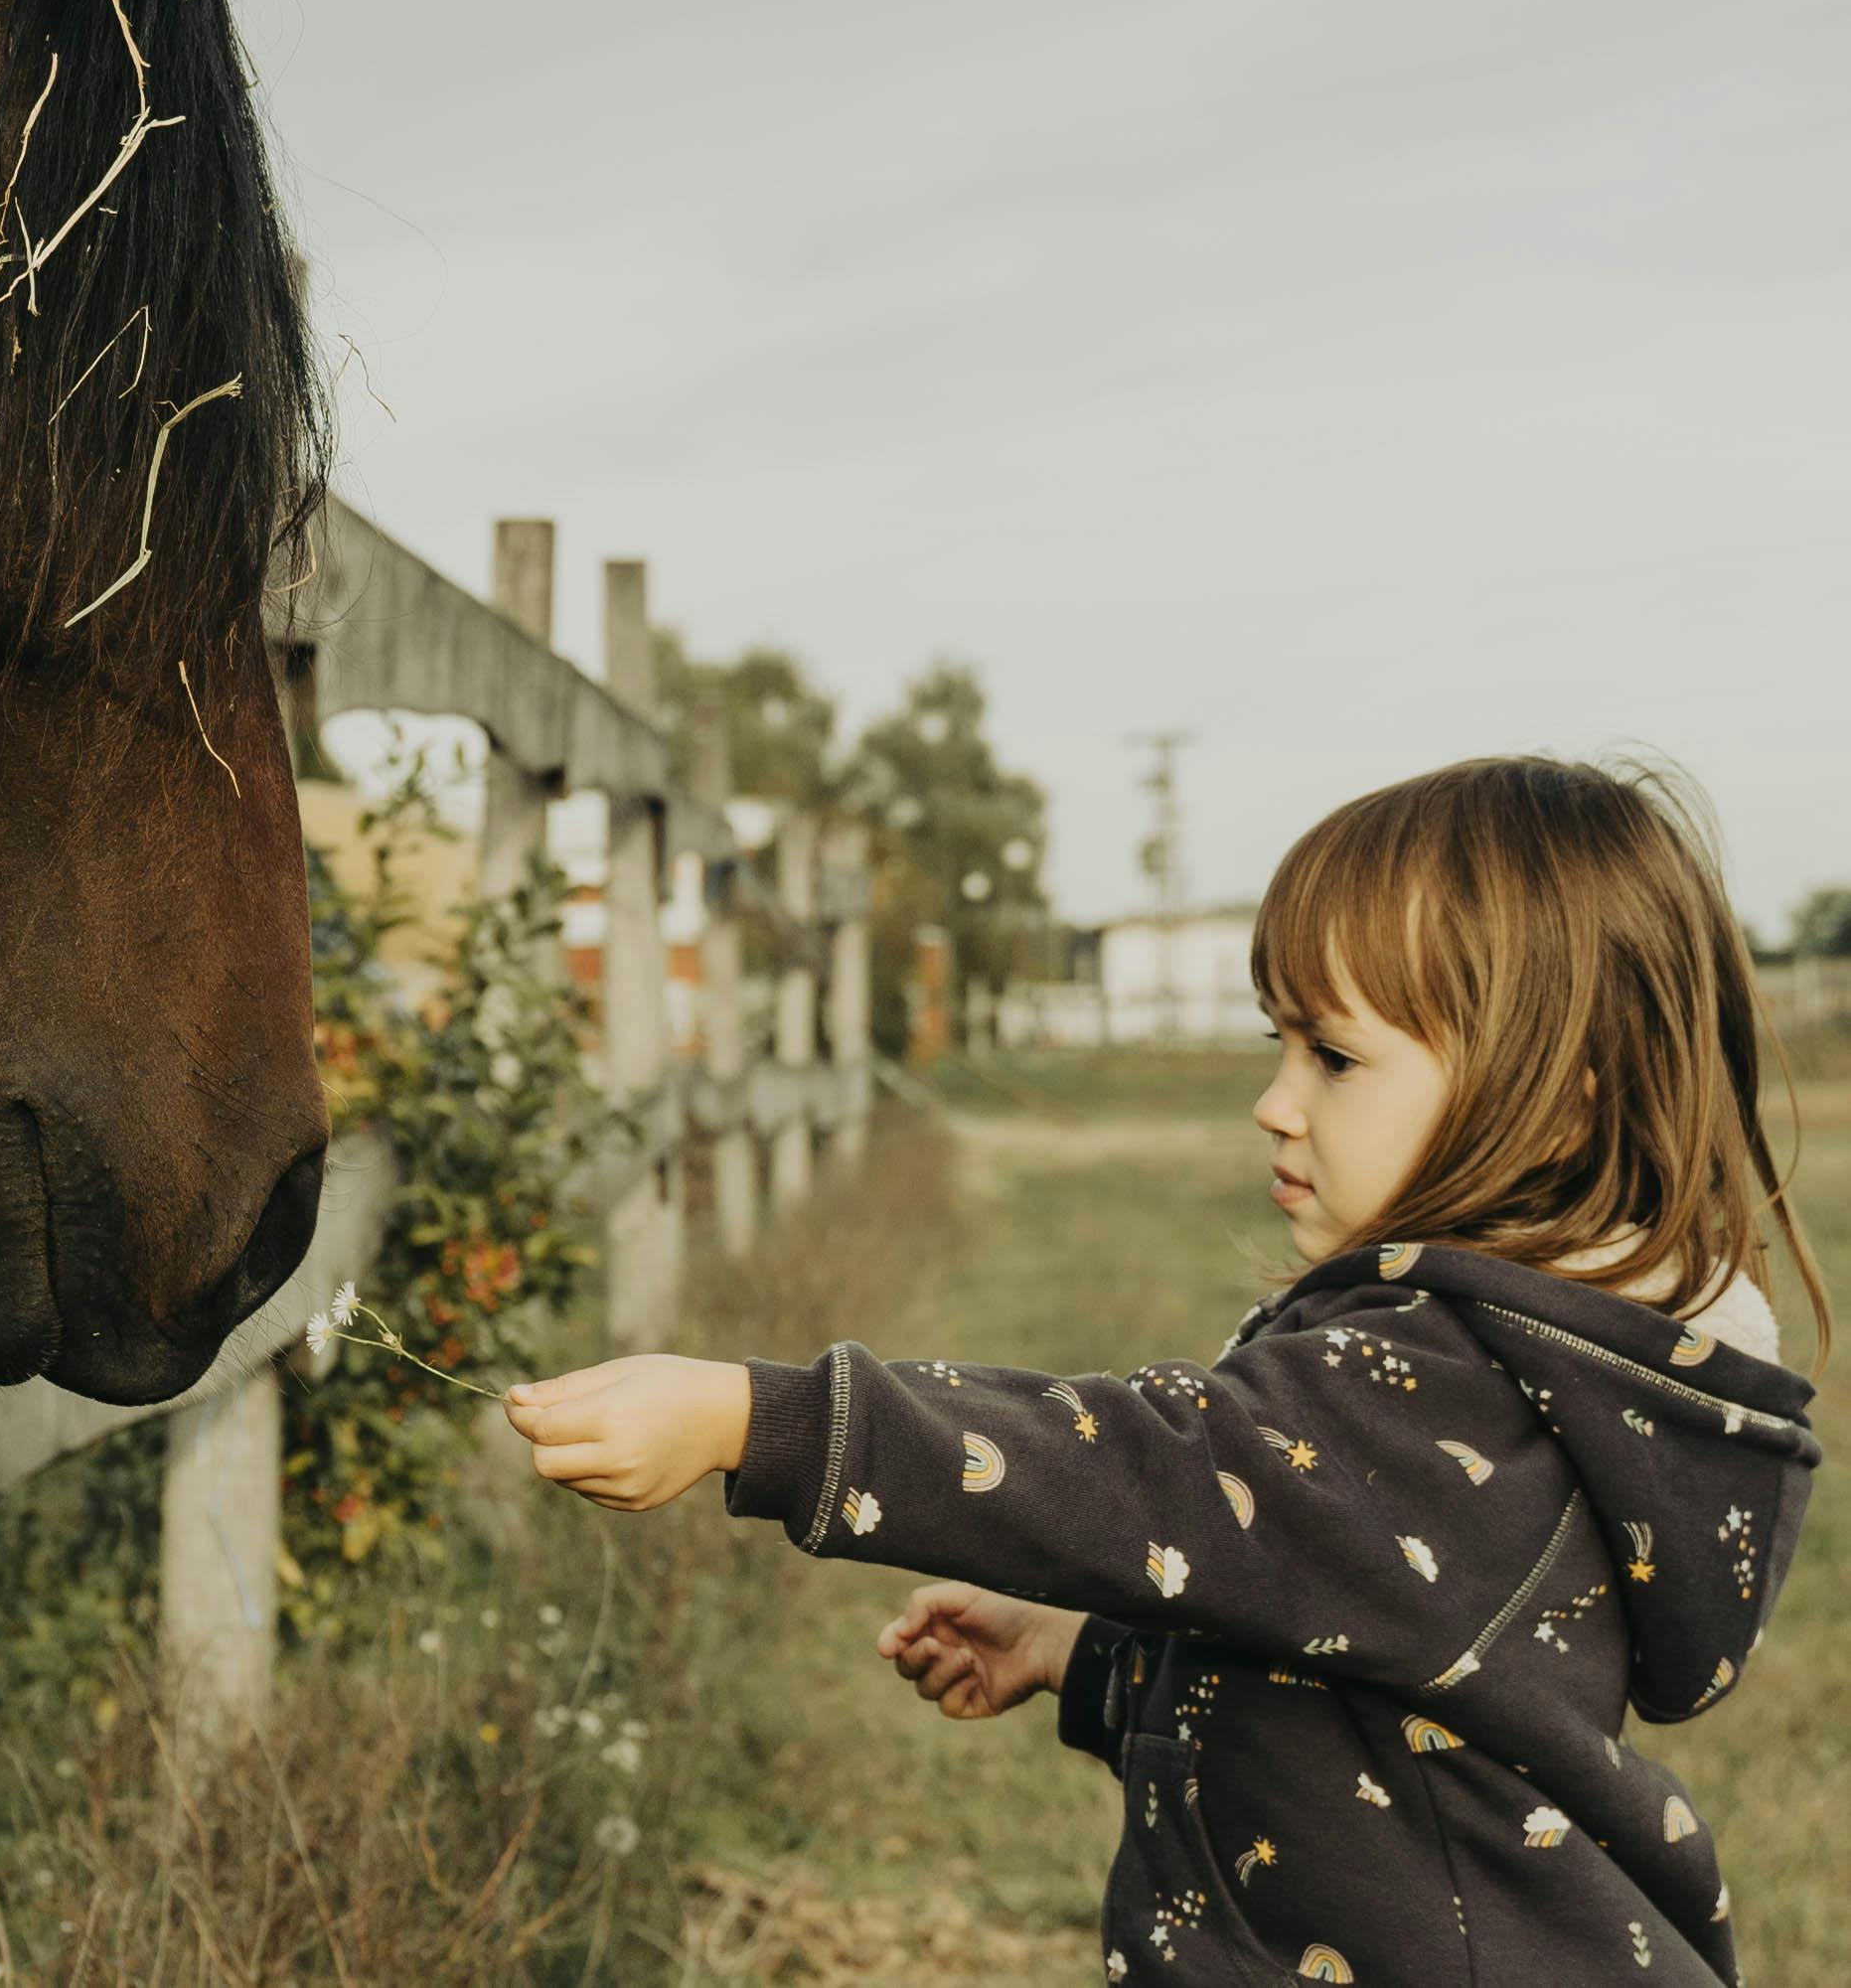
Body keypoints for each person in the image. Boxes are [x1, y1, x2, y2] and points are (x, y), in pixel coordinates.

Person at [504, 757, 1823, 1985]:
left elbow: (1157, 1466)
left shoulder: (1453, 1391)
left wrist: (769, 1419)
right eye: (1281, 1043)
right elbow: (1339, 1676)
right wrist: (1082, 1655)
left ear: (1560, 1098)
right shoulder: (1497, 1375)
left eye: (1336, 1056)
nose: (1276, 1099)